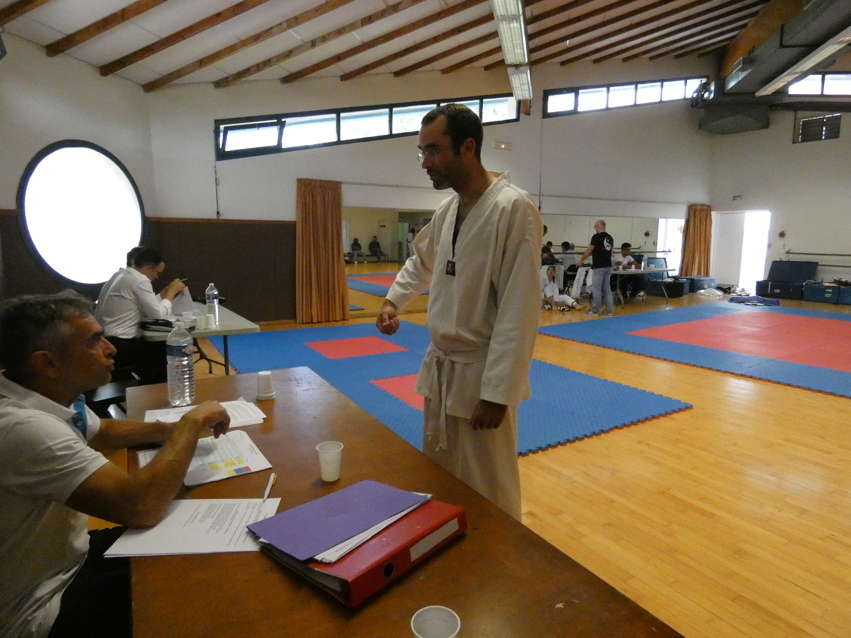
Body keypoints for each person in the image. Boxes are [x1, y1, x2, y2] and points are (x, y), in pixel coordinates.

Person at [0, 291, 229, 638]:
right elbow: (140, 506)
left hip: (69, 557)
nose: (111, 349)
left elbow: (103, 431)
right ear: (47, 363)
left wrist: (169, 431)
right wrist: (190, 424)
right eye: (95, 341)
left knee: (198, 537)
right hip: (41, 603)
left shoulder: (42, 393)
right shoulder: (24, 428)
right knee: (199, 580)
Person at [375, 104, 542, 521]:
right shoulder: (448, 210)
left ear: (468, 148)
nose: (425, 163)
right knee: (441, 473)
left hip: (481, 374)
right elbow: (422, 260)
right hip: (442, 370)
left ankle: (499, 551)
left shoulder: (513, 209)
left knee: (488, 483)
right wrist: (394, 300)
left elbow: (519, 309)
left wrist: (498, 392)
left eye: (433, 151)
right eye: (422, 152)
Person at [94, 248, 185, 384]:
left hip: (107, 339)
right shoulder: (140, 280)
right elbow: (157, 314)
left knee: (157, 346)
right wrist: (171, 293)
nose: (157, 277)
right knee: (164, 348)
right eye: (157, 272)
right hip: (121, 343)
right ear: (148, 268)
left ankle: (152, 387)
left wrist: (163, 294)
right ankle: (156, 389)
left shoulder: (121, 275)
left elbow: (144, 306)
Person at [577, 219, 614, 316]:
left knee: (596, 288)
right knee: (607, 288)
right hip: (608, 265)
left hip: (599, 266)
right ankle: (609, 310)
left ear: (598, 226)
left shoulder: (596, 237)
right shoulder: (610, 237)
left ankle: (595, 310)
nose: (595, 229)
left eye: (595, 227)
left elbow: (589, 250)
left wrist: (581, 260)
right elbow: (611, 252)